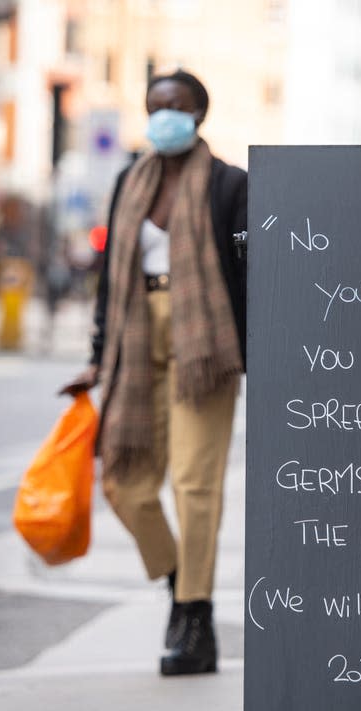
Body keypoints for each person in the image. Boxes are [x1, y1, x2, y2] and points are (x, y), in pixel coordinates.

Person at [60, 69, 247, 676]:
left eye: (177, 105)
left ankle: (195, 621)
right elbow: (109, 281)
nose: (164, 114)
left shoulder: (229, 184)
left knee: (196, 484)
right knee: (124, 480)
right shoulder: (128, 183)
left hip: (205, 346)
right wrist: (96, 356)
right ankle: (178, 585)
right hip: (136, 340)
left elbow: (250, 278)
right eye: (155, 105)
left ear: (199, 114)